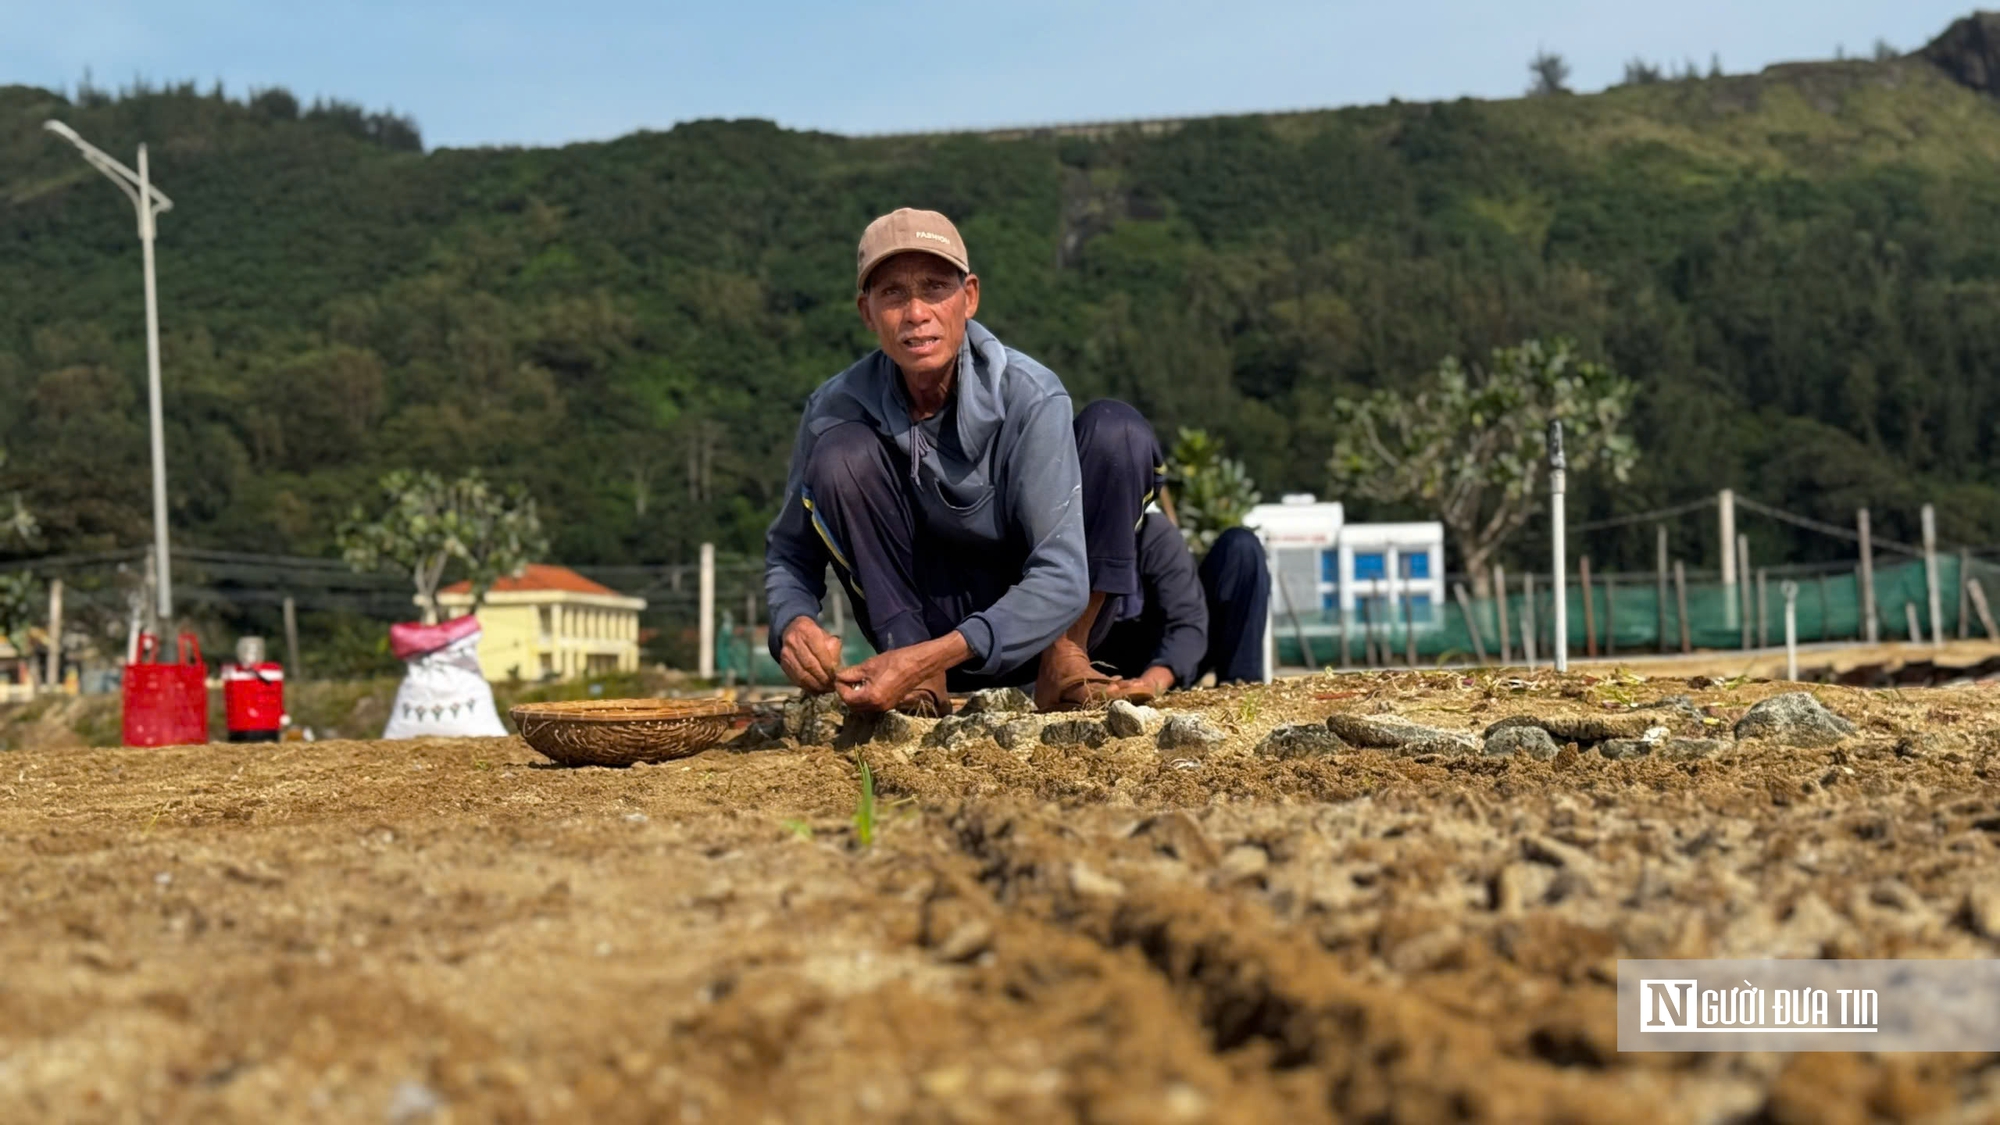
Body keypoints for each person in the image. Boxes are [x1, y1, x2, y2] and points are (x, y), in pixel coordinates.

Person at [764, 208, 1169, 715]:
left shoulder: (1030, 395)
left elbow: (1061, 576)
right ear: (867, 312)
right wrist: (793, 623)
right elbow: (789, 554)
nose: (916, 313)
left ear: (969, 298)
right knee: (842, 453)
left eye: (935, 288)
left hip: (1041, 622)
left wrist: (929, 655)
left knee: (1117, 431)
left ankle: (1065, 658)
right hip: (910, 632)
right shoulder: (835, 407)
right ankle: (919, 677)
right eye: (893, 294)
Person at [1087, 511, 1272, 693]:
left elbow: (1186, 622)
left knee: (1242, 548)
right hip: (1088, 658)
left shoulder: (1152, 530)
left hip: (1161, 656)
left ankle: (1241, 690)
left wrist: (1151, 683)